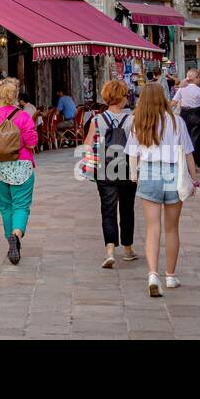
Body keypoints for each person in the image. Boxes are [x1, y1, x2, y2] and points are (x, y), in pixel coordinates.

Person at [126, 82, 198, 297]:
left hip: (149, 171)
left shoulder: (138, 122)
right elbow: (188, 153)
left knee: (152, 228)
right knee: (171, 228)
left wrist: (133, 176)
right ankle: (171, 275)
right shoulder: (177, 121)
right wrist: (194, 179)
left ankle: (152, 274)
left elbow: (132, 154)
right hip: (173, 172)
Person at [0, 78, 39, 264]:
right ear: (16, 96)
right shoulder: (23, 117)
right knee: (21, 205)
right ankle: (16, 234)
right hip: (21, 165)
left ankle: (10, 240)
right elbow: (32, 142)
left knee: (5, 207)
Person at [84, 80, 138, 269]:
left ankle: (109, 251)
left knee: (108, 210)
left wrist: (88, 168)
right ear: (122, 98)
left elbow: (88, 145)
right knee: (127, 209)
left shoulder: (96, 120)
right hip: (127, 169)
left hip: (104, 169)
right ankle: (128, 249)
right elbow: (137, 146)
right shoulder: (132, 120)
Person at [172, 70, 200, 169]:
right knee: (196, 140)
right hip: (196, 114)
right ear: (195, 78)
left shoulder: (181, 89)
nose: (199, 79)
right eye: (198, 77)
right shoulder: (199, 90)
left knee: (184, 139)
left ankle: (185, 162)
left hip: (184, 115)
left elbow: (173, 102)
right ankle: (194, 163)